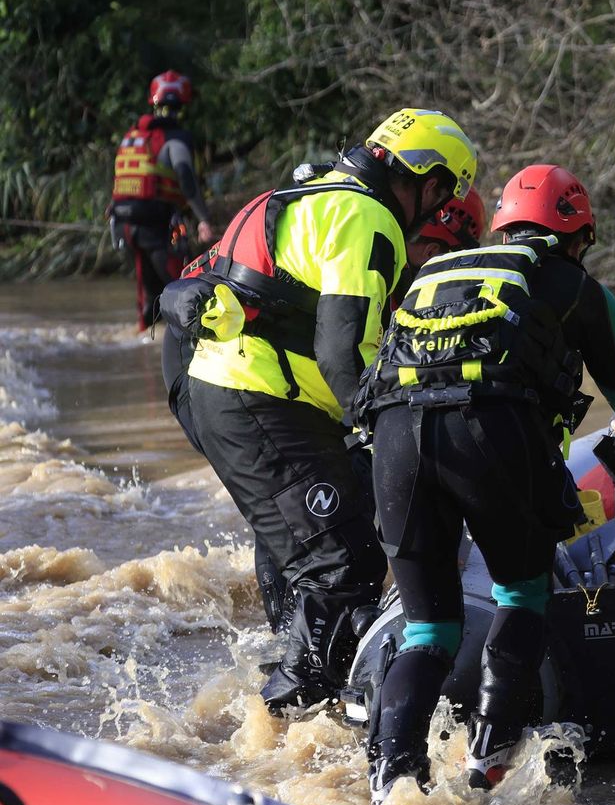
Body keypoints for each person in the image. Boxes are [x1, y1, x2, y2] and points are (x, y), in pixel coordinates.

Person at [356, 163, 615, 803]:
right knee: (520, 593)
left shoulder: (436, 272)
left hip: (395, 440)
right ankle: (486, 764)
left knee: (428, 629)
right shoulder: (572, 285)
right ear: (579, 236)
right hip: (487, 434)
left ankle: (389, 790)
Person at [180, 108, 478, 712]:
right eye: (444, 190)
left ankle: (303, 686)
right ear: (425, 178)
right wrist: (393, 438)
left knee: (321, 556)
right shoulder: (367, 218)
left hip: (235, 391)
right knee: (341, 567)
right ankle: (285, 723)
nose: (438, 206)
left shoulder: (314, 193)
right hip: (259, 400)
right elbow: (345, 355)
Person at [159, 187, 488, 630]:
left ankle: (310, 621)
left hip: (256, 364)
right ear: (429, 241)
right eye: (444, 256)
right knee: (304, 490)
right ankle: (294, 632)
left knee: (327, 490)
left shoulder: (382, 258)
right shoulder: (363, 247)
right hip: (204, 361)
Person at [109, 70, 215, 330]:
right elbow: (187, 180)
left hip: (123, 222)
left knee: (148, 288)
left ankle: (145, 342)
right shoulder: (176, 139)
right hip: (154, 223)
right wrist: (204, 220)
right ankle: (192, 339)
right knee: (181, 284)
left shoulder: (132, 137)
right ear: (183, 106)